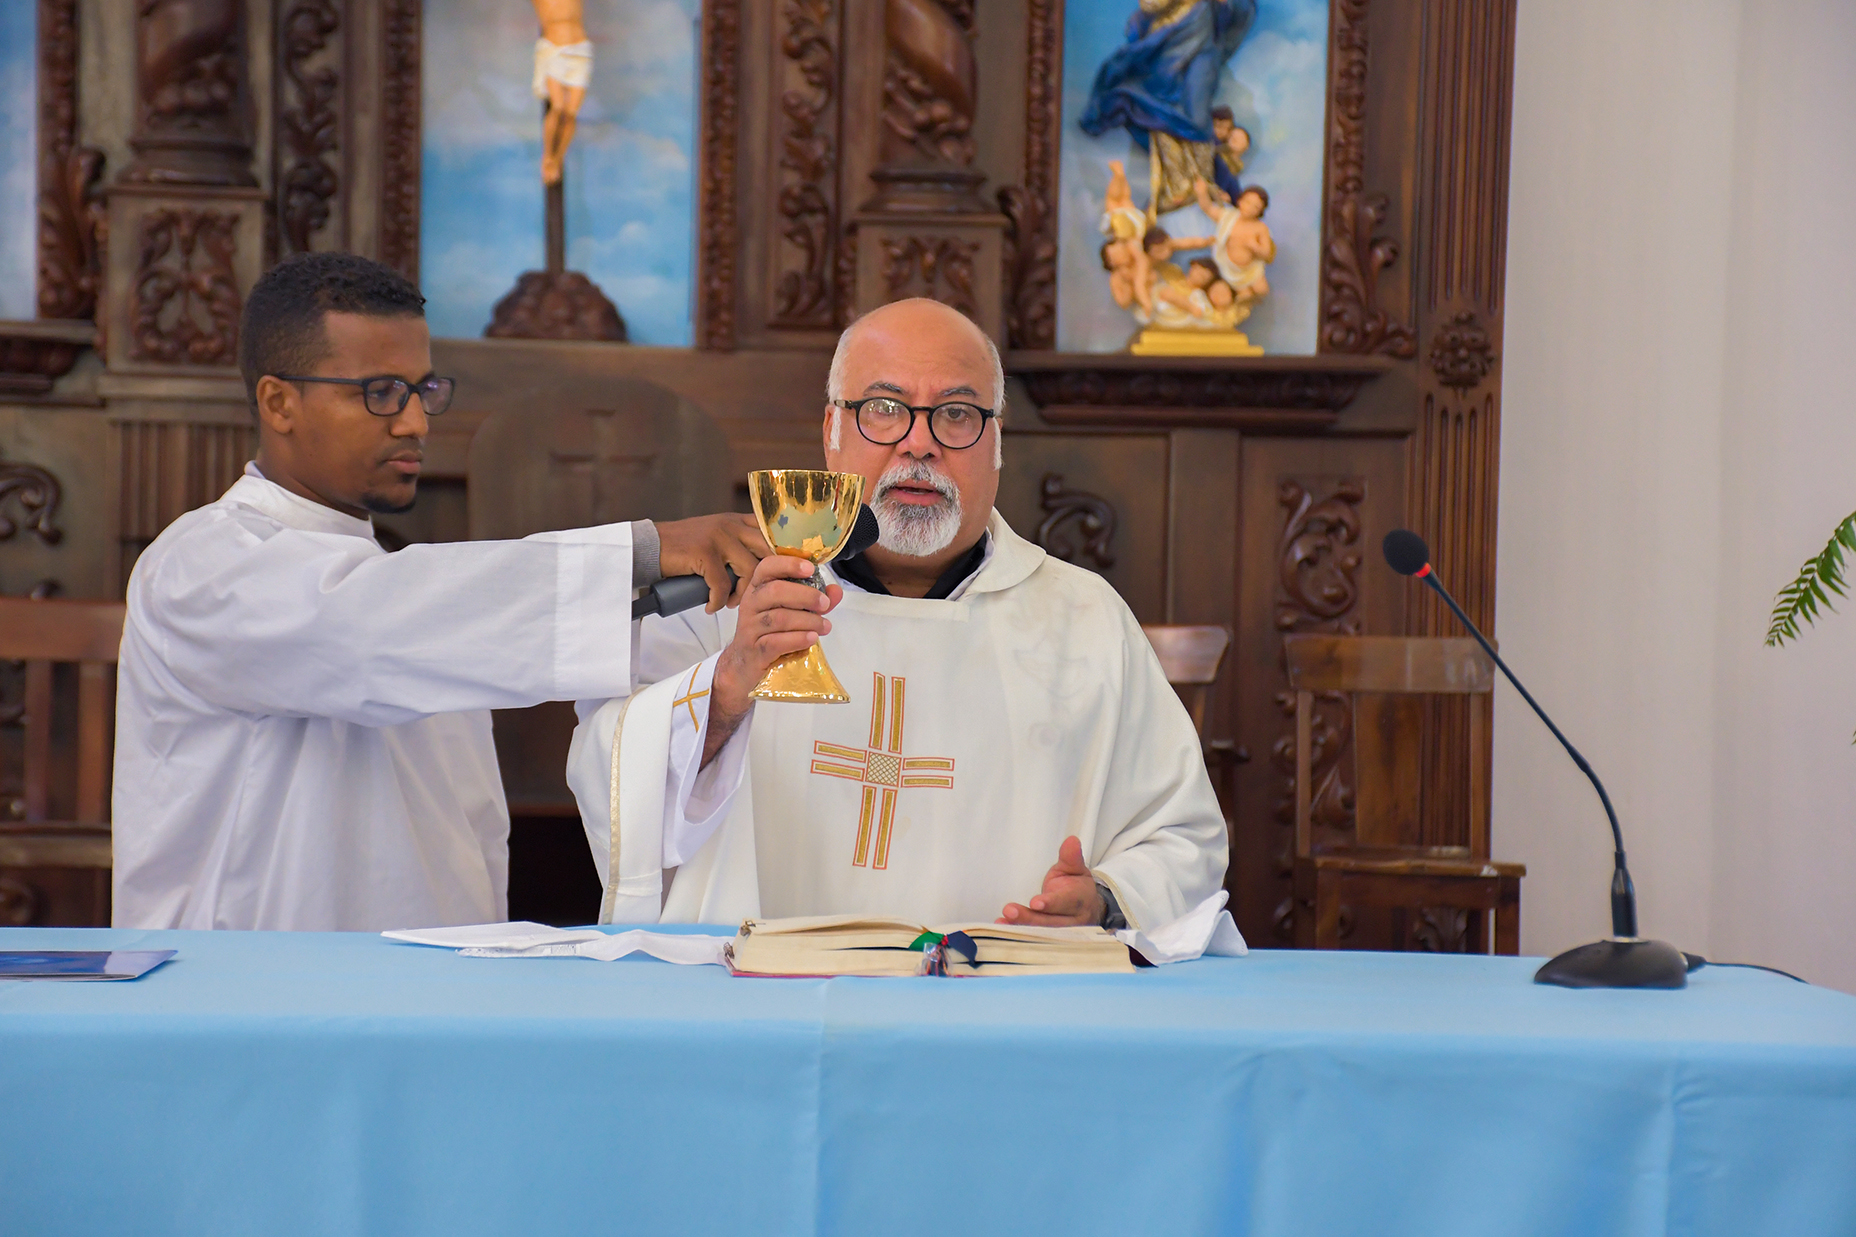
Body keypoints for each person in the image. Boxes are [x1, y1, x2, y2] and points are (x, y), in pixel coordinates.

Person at [112, 252, 763, 931]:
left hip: (417, 993)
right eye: (381, 392)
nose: (416, 424)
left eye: (424, 391)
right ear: (279, 401)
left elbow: (463, 832)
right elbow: (362, 629)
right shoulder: (201, 565)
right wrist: (647, 550)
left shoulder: (409, 591)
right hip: (240, 998)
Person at [566, 299, 1228, 930]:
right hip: (763, 1009)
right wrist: (728, 688)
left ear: (997, 443)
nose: (919, 443)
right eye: (884, 410)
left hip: (999, 1010)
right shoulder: (721, 596)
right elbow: (608, 775)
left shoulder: (1084, 621)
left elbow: (1180, 835)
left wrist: (1105, 902)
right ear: (831, 428)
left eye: (958, 414)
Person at [531, 0, 592, 186]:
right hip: (554, 49)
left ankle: (558, 159)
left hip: (579, 49)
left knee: (571, 113)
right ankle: (548, 156)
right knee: (557, 106)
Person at [1195, 177, 1275, 304]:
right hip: (1228, 269)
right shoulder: (1228, 216)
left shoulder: (1260, 228)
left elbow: (1266, 253)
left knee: (1262, 290)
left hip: (1250, 269)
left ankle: (1250, 297)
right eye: (1247, 202)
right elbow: (1208, 208)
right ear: (1240, 201)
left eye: (1255, 207)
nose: (1249, 208)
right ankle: (1241, 296)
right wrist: (1202, 193)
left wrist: (1255, 247)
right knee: (1243, 294)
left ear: (1260, 211)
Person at [1209, 106, 1250, 204]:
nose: (1234, 137)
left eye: (1241, 137)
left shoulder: (1234, 172)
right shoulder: (1216, 152)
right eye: (1232, 136)